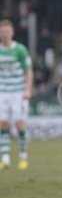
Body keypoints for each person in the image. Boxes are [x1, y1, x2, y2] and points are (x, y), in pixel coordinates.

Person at [0, 20, 33, 170]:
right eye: (2, 32)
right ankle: (5, 158)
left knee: (20, 124)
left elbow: (28, 71)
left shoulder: (20, 50)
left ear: (12, 33)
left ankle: (23, 156)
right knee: (3, 123)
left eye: (7, 31)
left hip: (18, 92)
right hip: (3, 92)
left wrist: (28, 90)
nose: (5, 34)